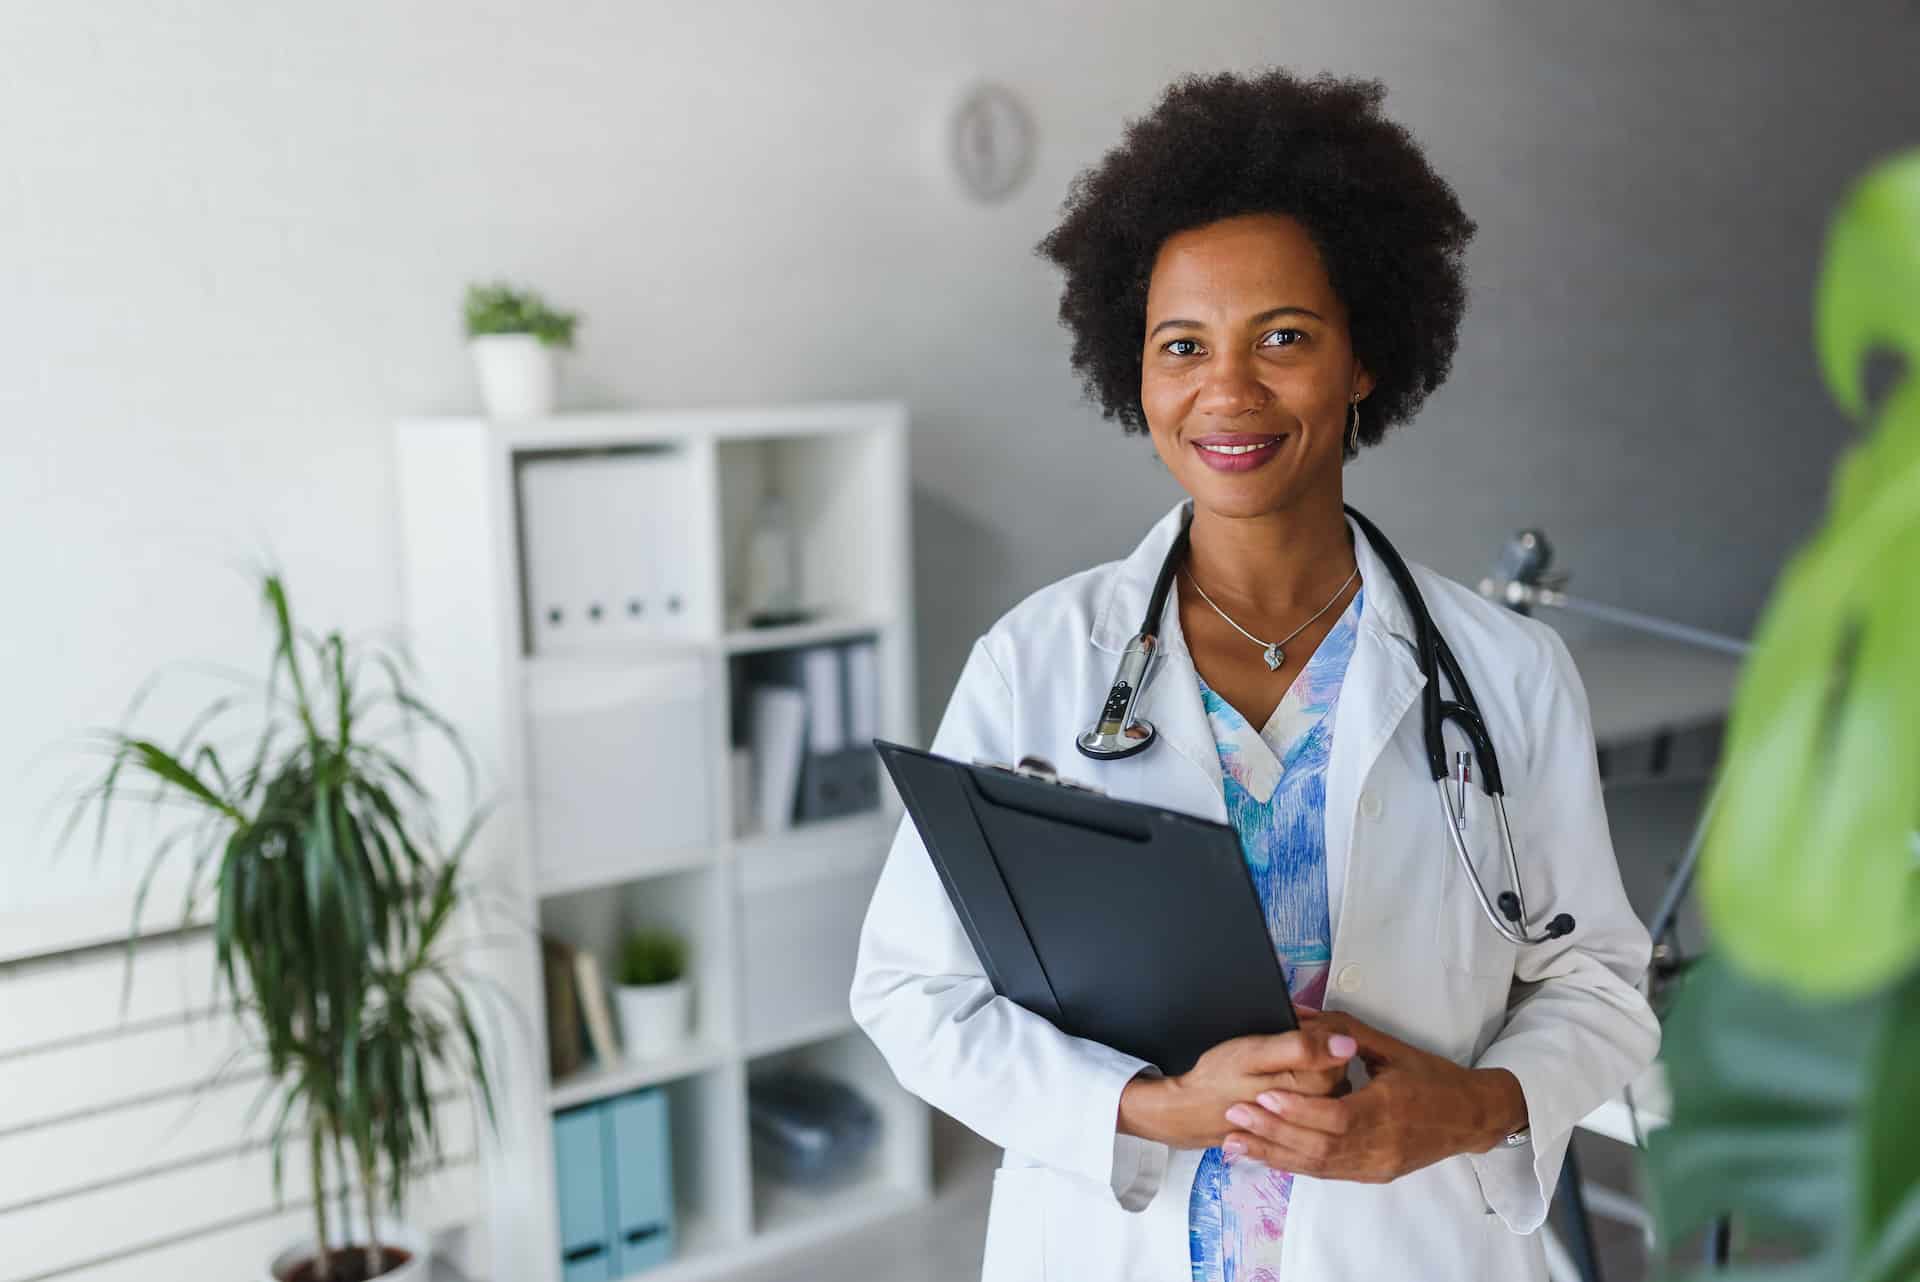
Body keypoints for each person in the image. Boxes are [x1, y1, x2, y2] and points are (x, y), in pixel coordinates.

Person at [851, 68, 1658, 1282]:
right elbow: (913, 990)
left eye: (1283, 336)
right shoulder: (1035, 662)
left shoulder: (1508, 672)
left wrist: (1473, 1106)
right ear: (1138, 371)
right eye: (1183, 345)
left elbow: (1597, 984)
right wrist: (1146, 1105)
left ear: (1364, 359)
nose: (1227, 390)